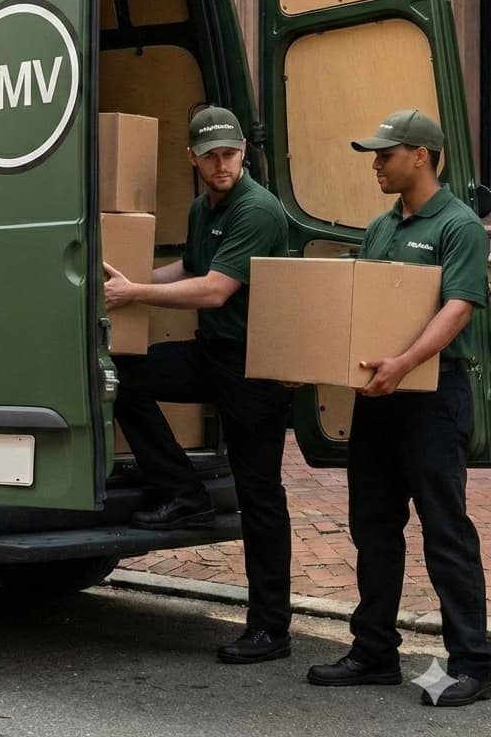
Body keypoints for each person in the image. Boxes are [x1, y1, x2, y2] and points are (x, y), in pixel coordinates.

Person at [307, 109, 491, 707]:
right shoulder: (381, 228)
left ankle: (473, 662)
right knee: (373, 527)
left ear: (420, 155)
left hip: (434, 401)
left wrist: (404, 363)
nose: (376, 164)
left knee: (446, 531)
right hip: (379, 401)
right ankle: (374, 652)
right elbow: (364, 307)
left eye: (385, 154)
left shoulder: (459, 226)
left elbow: (459, 306)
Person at [104, 105, 293, 664]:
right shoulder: (200, 208)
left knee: (260, 493)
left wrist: (134, 295)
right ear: (192, 158)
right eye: (209, 156)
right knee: (124, 375)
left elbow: (213, 291)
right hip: (214, 353)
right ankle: (184, 495)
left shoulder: (258, 209)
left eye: (229, 154)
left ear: (243, 153)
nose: (221, 166)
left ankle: (270, 629)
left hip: (255, 365)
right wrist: (116, 279)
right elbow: (190, 267)